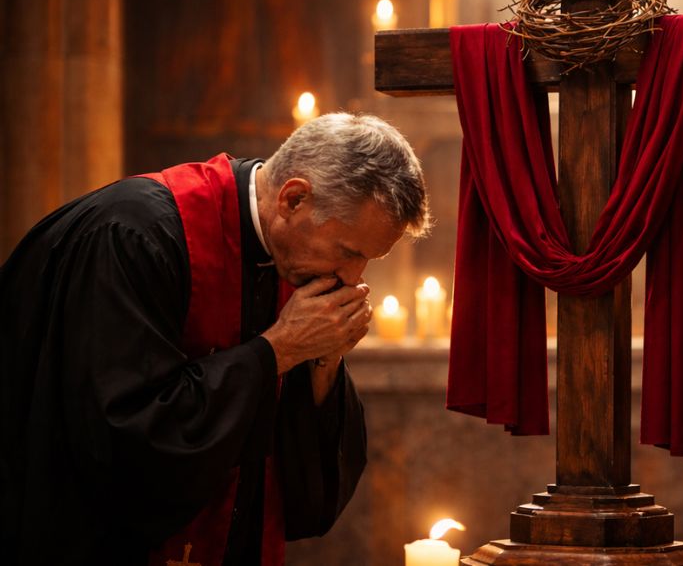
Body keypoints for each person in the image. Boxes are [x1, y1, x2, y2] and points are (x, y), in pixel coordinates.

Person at [0, 113, 430, 564]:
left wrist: (324, 360)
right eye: (349, 253)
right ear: (294, 198)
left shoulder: (291, 258)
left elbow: (305, 493)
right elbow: (122, 441)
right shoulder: (132, 236)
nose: (353, 277)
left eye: (368, 261)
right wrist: (279, 350)